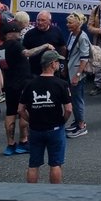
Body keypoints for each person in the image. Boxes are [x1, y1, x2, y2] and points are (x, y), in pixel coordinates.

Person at [20, 50, 71, 184]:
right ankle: (54, 195)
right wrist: (62, 121)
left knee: (33, 164)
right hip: (55, 128)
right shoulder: (61, 84)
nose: (59, 64)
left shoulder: (30, 84)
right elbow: (69, 109)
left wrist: (30, 120)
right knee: (55, 164)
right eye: (57, 62)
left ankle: (32, 194)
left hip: (35, 129)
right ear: (52, 64)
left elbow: (20, 109)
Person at [0, 18, 31, 155]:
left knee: (10, 113)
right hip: (22, 84)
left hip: (9, 84)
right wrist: (45, 46)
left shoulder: (1, 47)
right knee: (23, 110)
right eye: (18, 32)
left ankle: (10, 144)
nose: (20, 34)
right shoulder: (16, 45)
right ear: (11, 33)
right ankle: (23, 141)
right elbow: (28, 53)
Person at [64, 12, 92, 138]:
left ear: (78, 24)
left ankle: (81, 126)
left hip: (76, 74)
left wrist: (78, 75)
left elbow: (84, 58)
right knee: (74, 99)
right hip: (70, 72)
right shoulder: (71, 34)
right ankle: (77, 122)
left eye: (70, 23)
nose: (67, 25)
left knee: (77, 100)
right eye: (67, 22)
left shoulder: (83, 37)